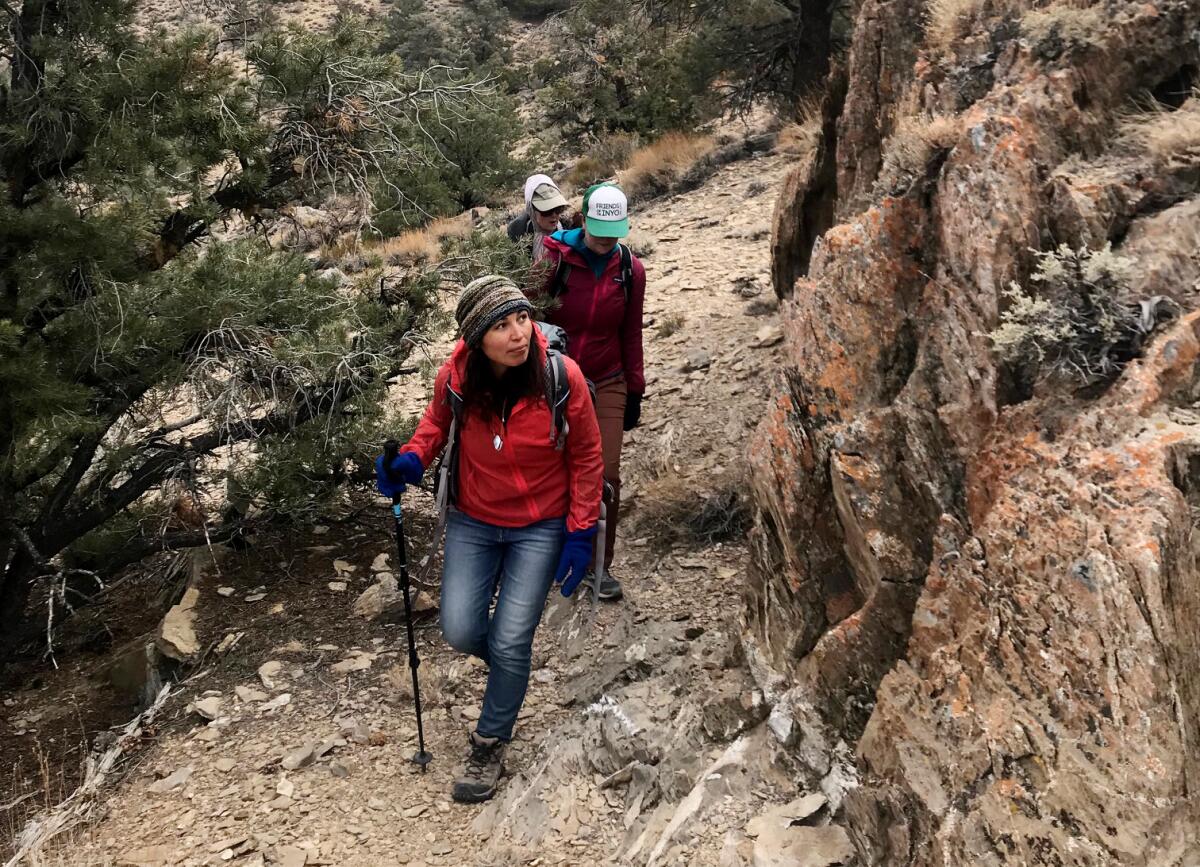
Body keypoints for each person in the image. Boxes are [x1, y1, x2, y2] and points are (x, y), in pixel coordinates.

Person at [375, 275, 604, 804]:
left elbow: (588, 457)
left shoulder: (559, 377)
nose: (518, 333)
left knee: (509, 638)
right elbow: (434, 426)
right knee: (459, 629)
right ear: (478, 338)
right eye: (501, 326)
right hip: (474, 520)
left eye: (521, 318)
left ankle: (490, 740)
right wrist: (410, 459)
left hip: (540, 523)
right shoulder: (456, 379)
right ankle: (511, 665)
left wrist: (579, 530)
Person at [532, 183, 645, 601]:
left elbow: (630, 332)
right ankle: (552, 556)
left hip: (608, 378)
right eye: (599, 231)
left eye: (614, 232)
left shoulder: (630, 269)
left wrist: (635, 388)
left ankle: (600, 565)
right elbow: (526, 318)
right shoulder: (552, 258)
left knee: (606, 474)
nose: (606, 241)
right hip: (556, 378)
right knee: (555, 468)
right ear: (584, 220)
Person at [507, 173, 569, 259]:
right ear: (532, 210)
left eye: (558, 209)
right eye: (547, 210)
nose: (554, 215)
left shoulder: (567, 228)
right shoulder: (518, 230)